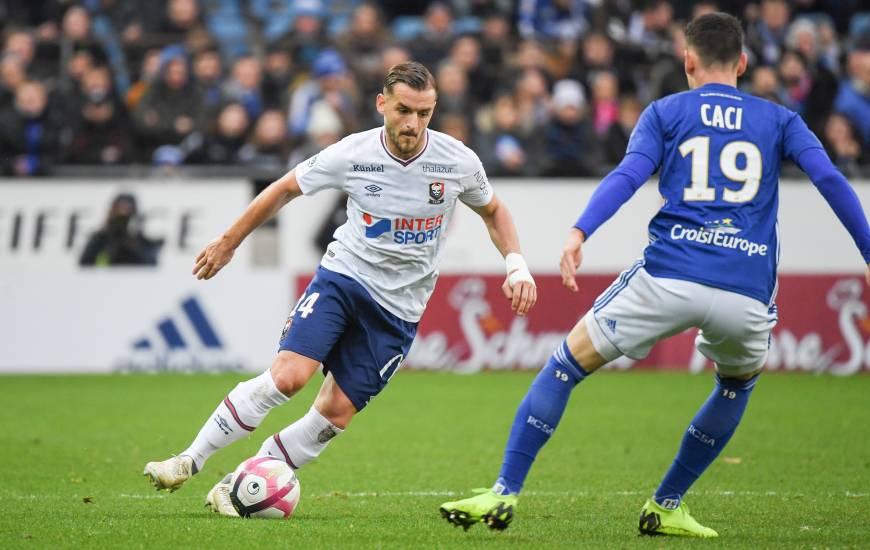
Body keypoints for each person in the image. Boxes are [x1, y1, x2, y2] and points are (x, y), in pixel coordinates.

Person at [439, 12, 870, 538]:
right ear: (742, 61)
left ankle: (503, 492)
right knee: (736, 385)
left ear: (686, 60)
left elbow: (628, 175)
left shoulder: (666, 111)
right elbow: (829, 178)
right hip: (746, 290)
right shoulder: (780, 119)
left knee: (564, 365)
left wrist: (579, 233)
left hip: (669, 276)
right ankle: (666, 503)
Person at [143, 62, 538, 516]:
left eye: (425, 113)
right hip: (343, 280)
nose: (413, 123)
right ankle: (189, 460)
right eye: (404, 110)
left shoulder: (457, 160)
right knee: (288, 377)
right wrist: (229, 241)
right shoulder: (353, 153)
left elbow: (494, 211)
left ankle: (240, 484)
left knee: (334, 414)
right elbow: (285, 188)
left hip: (399, 310)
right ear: (382, 103)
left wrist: (516, 265)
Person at [79, 193, 163, 266]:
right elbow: (86, 265)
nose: (123, 213)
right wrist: (109, 250)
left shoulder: (142, 241)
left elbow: (152, 264)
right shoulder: (100, 239)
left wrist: (135, 248)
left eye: (128, 209)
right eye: (120, 208)